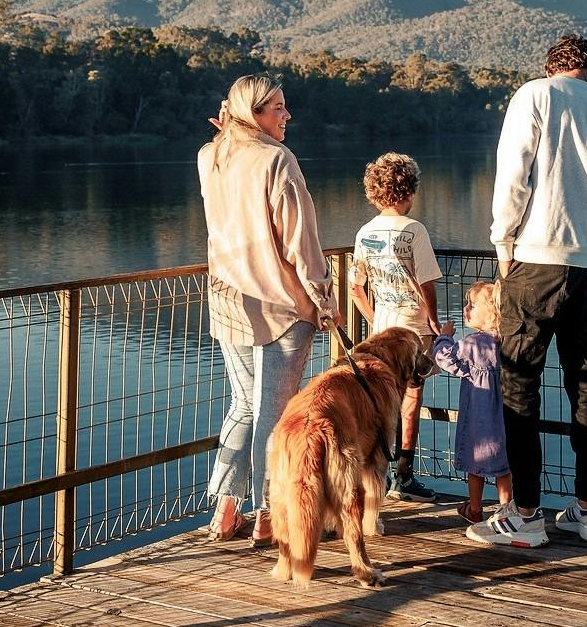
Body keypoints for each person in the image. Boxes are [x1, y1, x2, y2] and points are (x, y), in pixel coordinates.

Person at [469, 34, 587, 549]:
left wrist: (502, 242)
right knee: (584, 384)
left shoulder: (535, 95)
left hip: (536, 258)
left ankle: (526, 515)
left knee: (519, 384)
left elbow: (514, 174)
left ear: (551, 66)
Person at [197, 74, 334, 546]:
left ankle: (225, 509)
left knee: (243, 405)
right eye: (277, 108)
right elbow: (300, 239)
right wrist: (323, 297)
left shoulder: (210, 155)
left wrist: (230, 125)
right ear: (254, 113)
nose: (287, 115)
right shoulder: (277, 160)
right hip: (281, 303)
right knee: (277, 415)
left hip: (229, 301)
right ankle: (270, 515)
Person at [349, 151, 444, 501]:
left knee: (380, 400)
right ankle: (404, 475)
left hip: (382, 332)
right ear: (409, 191)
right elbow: (427, 283)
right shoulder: (413, 230)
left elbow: (356, 287)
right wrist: (433, 323)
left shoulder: (365, 232)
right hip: (413, 333)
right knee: (411, 399)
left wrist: (376, 320)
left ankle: (377, 472)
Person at [430, 281, 513, 523]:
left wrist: (444, 338)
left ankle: (475, 509)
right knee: (505, 467)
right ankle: (506, 511)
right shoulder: (507, 342)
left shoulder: (473, 344)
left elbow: (445, 359)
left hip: (477, 416)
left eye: (472, 305)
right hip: (504, 417)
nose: (465, 308)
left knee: (474, 465)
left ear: (490, 313)